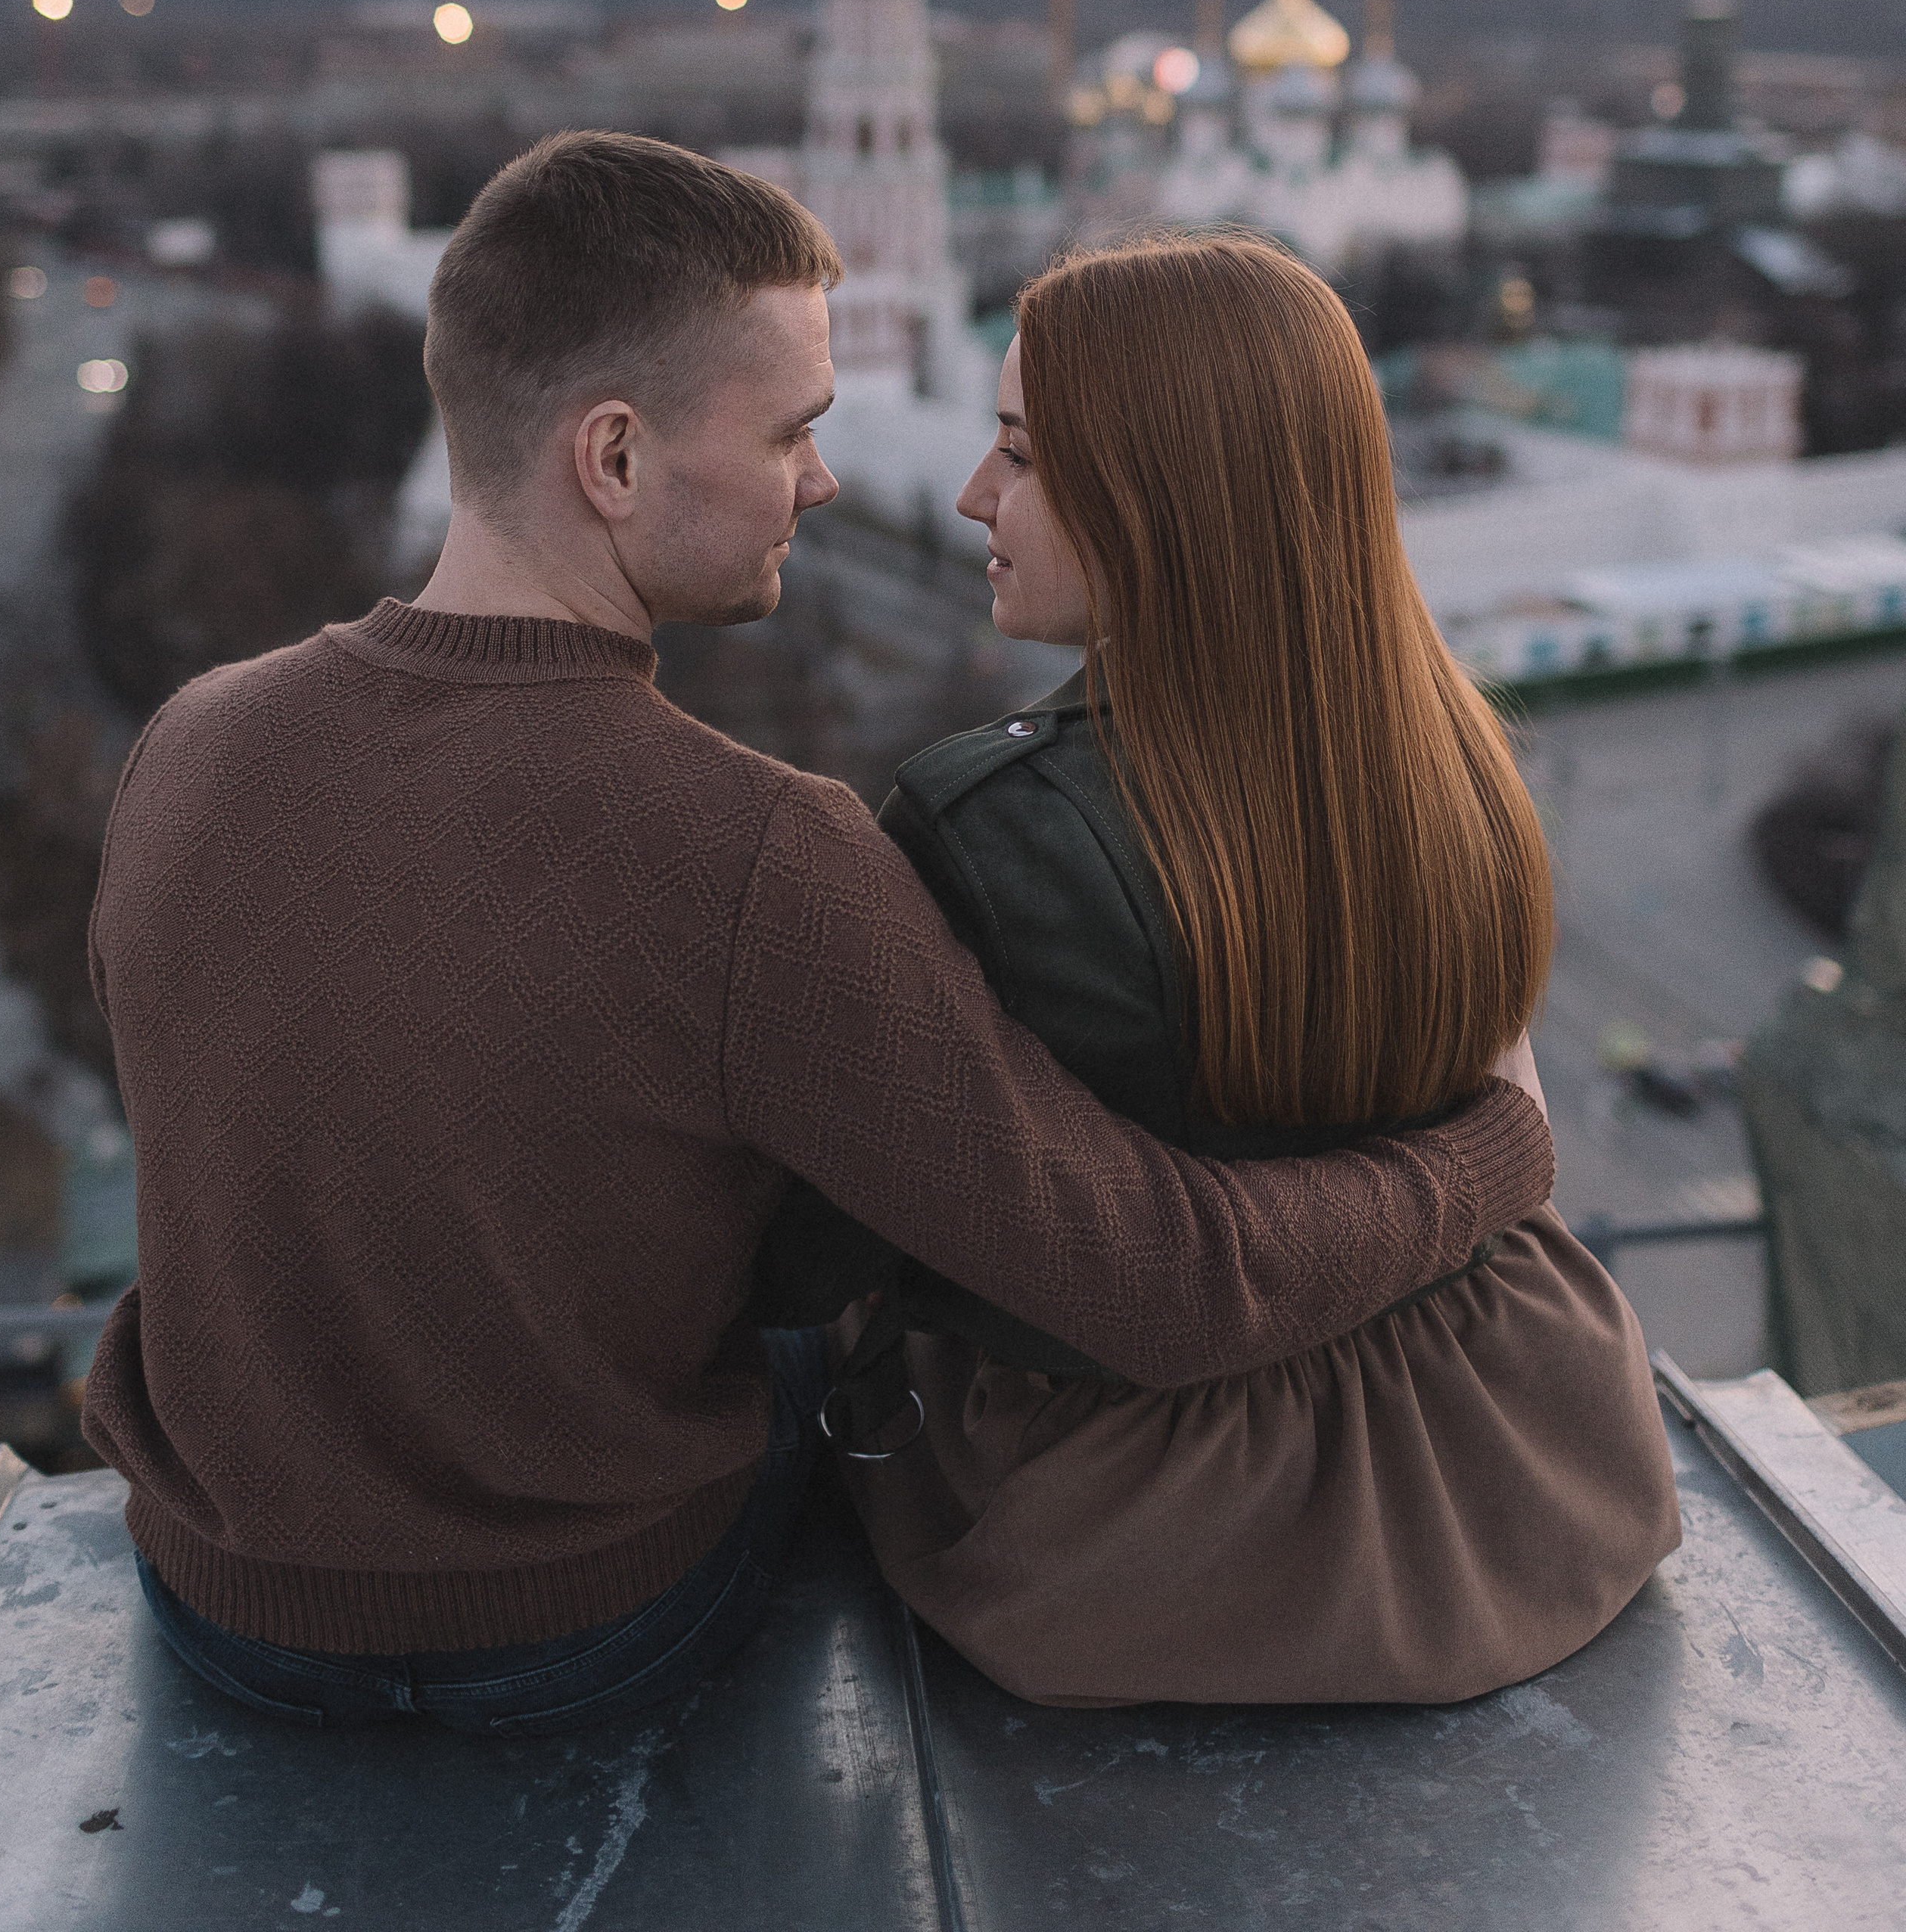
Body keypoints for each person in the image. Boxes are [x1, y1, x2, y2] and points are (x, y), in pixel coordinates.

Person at [81, 135, 1553, 1737]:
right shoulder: (752, 851)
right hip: (580, 1624)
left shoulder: (193, 740)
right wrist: (1487, 1158)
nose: (829, 482)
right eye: (791, 432)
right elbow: (1158, 1291)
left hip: (217, 1604)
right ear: (616, 459)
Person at [763, 231, 1679, 1708]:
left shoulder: (989, 831)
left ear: (1155, 498)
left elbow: (832, 1247)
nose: (968, 497)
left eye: (1016, 454)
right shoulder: (1456, 763)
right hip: (1518, 1471)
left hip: (1137, 1540)